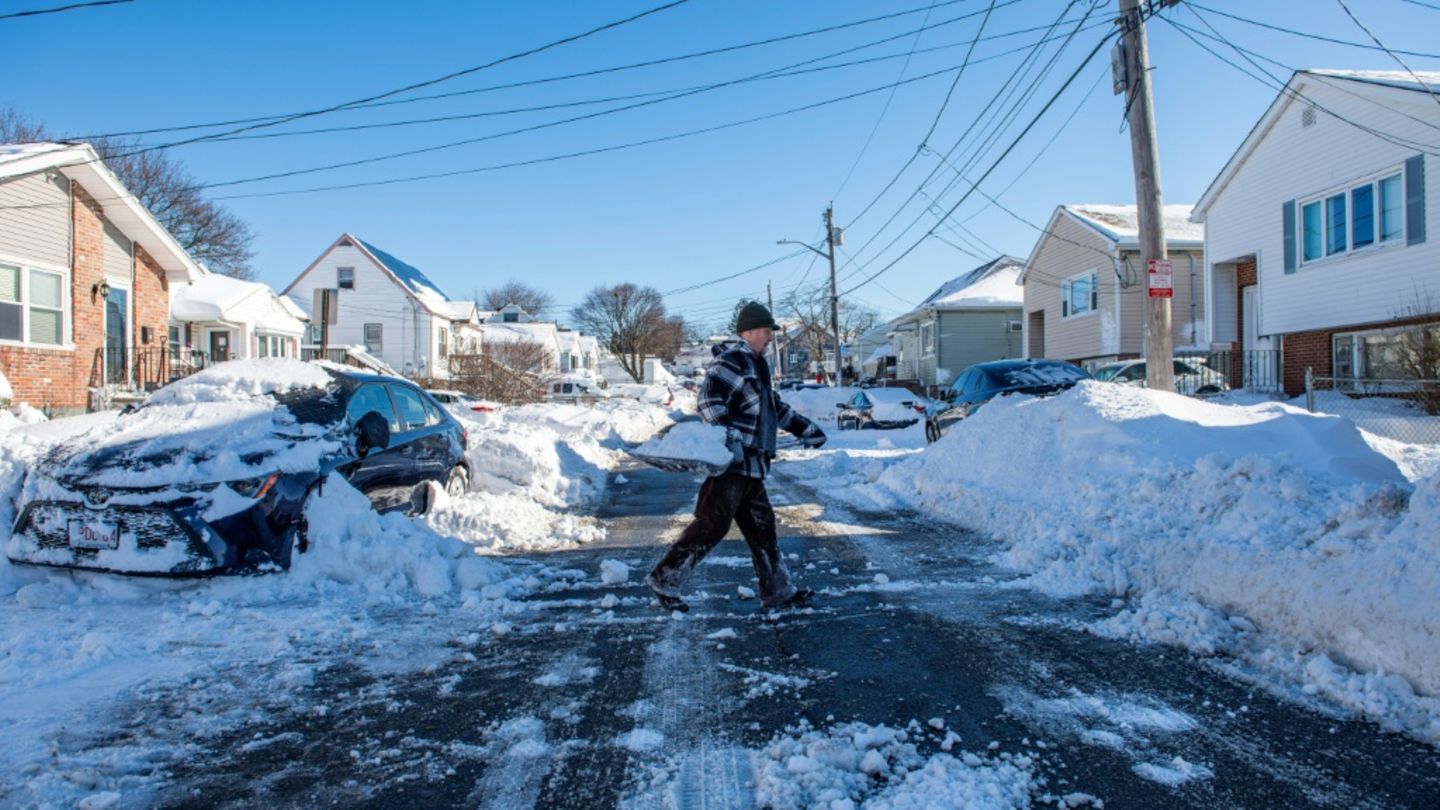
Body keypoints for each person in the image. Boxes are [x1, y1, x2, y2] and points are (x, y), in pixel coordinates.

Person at [646, 302, 827, 612]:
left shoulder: (757, 365)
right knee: (712, 524)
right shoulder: (731, 361)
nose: (771, 338)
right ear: (749, 332)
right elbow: (707, 402)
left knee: (763, 530)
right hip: (732, 465)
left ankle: (778, 592)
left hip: (753, 466)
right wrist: (729, 440)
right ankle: (664, 578)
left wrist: (806, 430)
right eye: (767, 332)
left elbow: (774, 408)